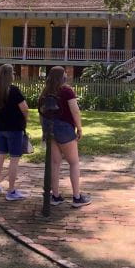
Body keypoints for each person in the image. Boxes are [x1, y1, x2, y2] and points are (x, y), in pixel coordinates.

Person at [39, 66, 91, 207]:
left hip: (50, 129)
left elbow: (41, 113)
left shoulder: (45, 92)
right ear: (62, 77)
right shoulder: (67, 91)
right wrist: (79, 128)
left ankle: (55, 196)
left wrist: (44, 131)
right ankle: (76, 197)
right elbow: (75, 111)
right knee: (73, 162)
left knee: (55, 164)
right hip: (64, 128)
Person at [0, 64, 30, 201]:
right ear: (9, 75)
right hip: (14, 128)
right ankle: (11, 191)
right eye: (12, 72)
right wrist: (25, 120)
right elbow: (24, 108)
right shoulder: (13, 90)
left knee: (0, 156)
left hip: (0, 127)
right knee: (14, 159)